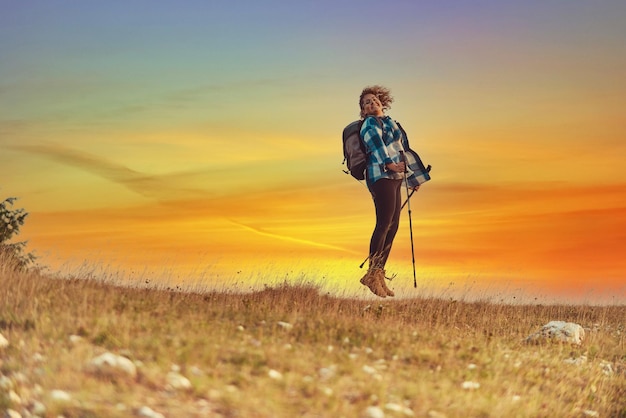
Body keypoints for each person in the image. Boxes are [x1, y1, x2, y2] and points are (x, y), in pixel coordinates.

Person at [358, 85, 420, 298]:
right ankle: (372, 274)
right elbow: (376, 146)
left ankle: (378, 274)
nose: (371, 103)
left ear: (381, 103)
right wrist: (389, 164)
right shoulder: (369, 123)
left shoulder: (391, 123)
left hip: (395, 176)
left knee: (393, 226)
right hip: (380, 174)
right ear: (363, 111)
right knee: (384, 223)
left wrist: (412, 177)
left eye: (374, 99)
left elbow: (402, 150)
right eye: (366, 102)